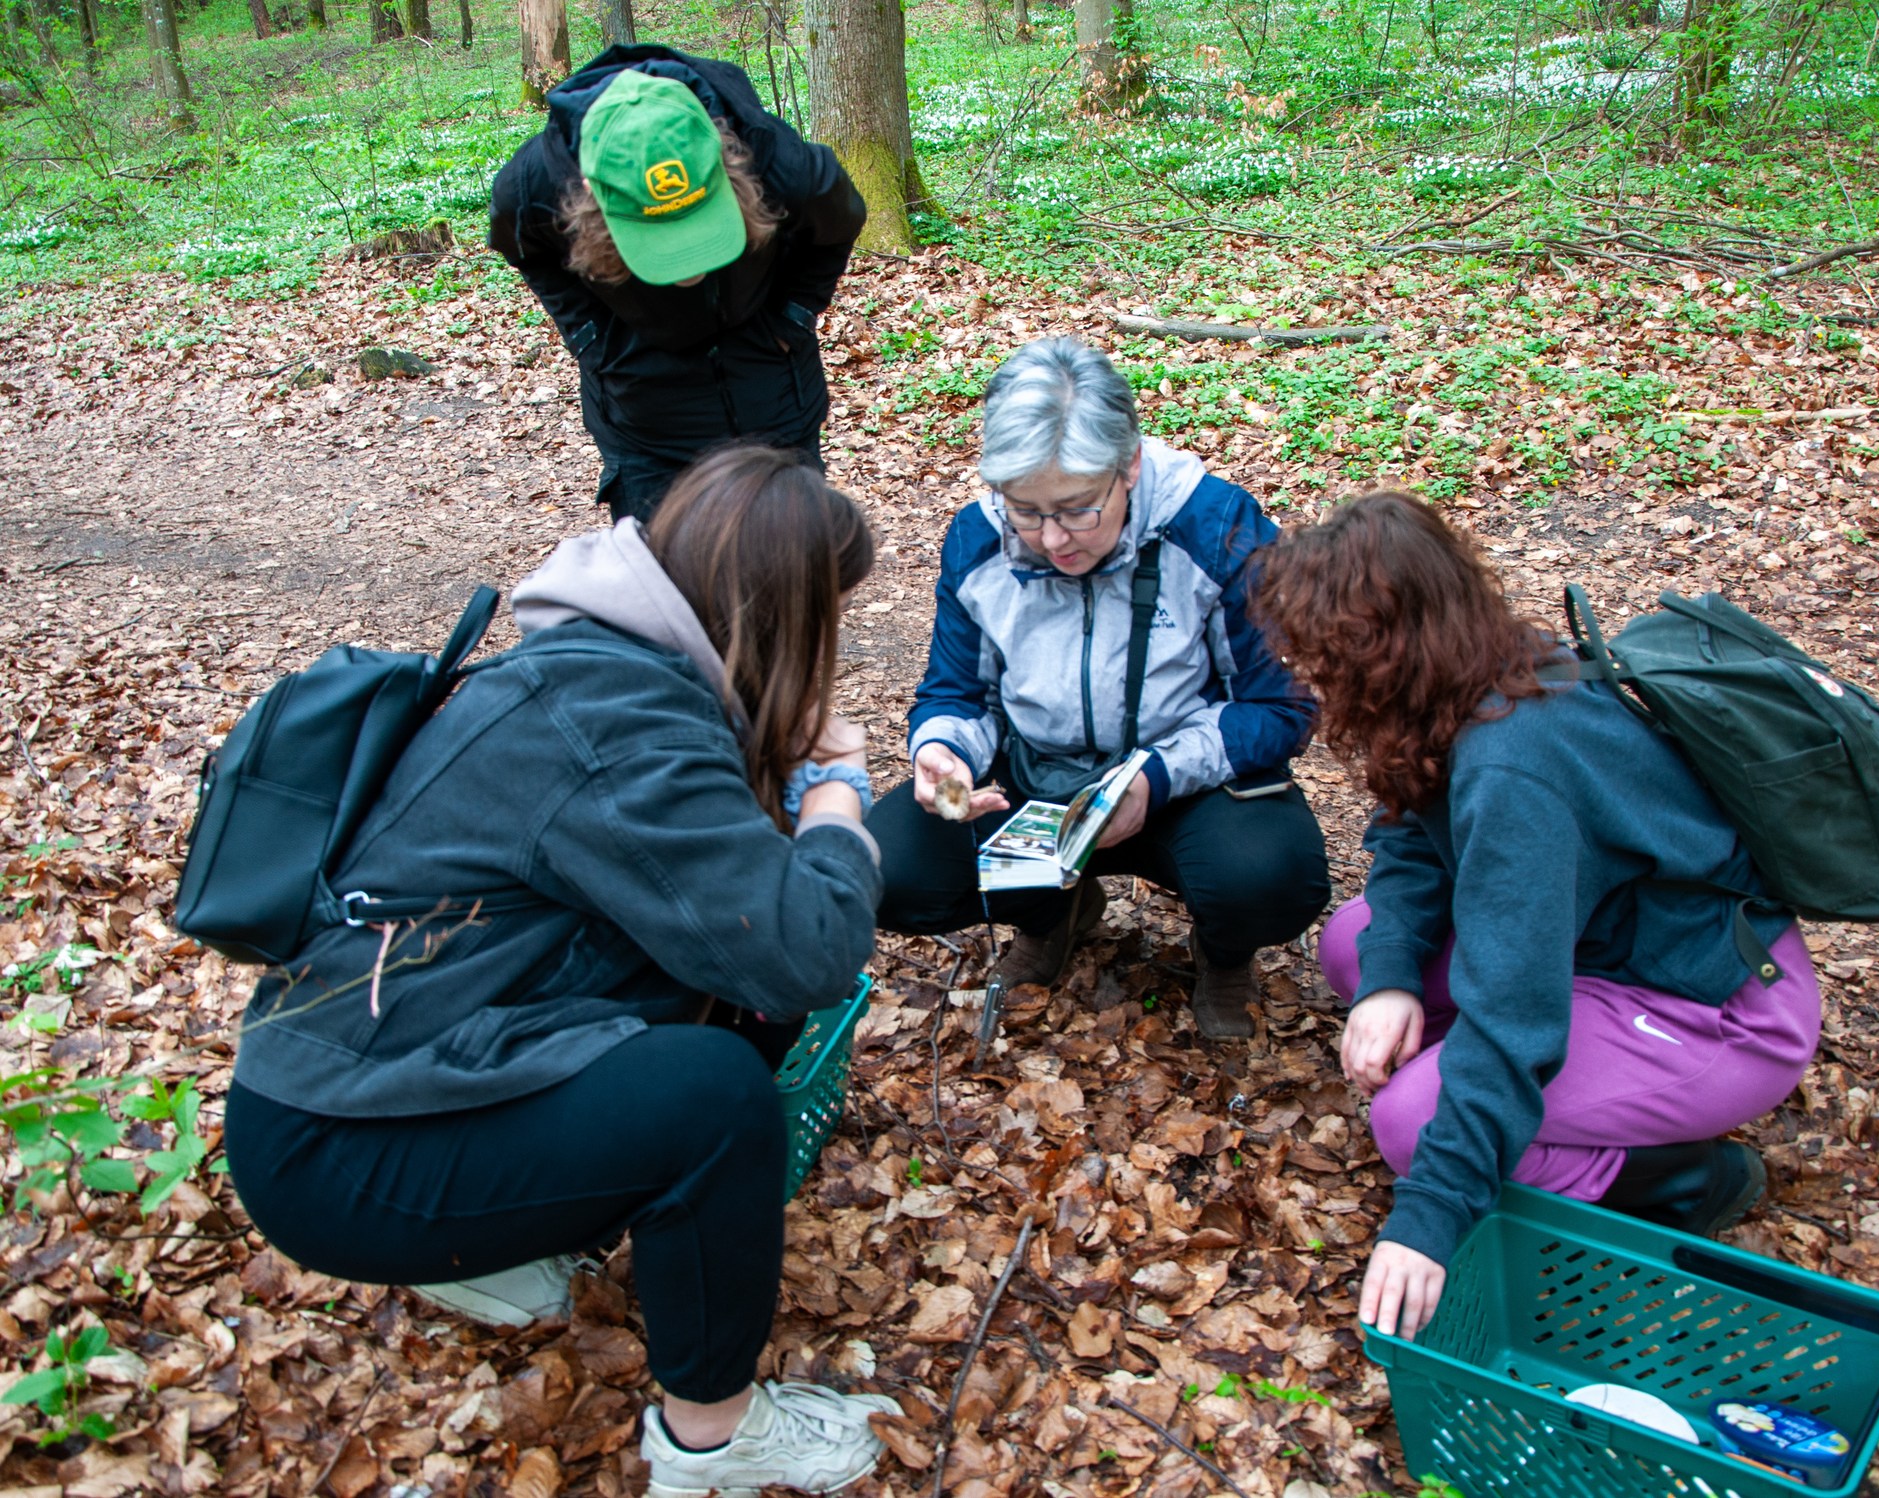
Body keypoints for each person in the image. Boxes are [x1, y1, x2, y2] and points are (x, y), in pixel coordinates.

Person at [223, 447, 901, 1494]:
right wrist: (837, 797)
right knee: (712, 1099)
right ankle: (712, 1443)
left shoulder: (603, 666)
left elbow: (738, 935)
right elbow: (808, 948)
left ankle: (492, 1251)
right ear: (785, 610)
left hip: (375, 1083)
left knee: (741, 1009)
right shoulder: (619, 724)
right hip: (338, 1149)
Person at [1251, 491, 1822, 1341]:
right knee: (1360, 947)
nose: (1308, 677)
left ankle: (1681, 1178)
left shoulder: (1516, 768)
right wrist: (1393, 979)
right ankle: (1512, 1095)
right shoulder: (1477, 671)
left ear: (1384, 650)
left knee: (1410, 1122)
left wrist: (1430, 1218)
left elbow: (1515, 1016)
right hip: (1598, 955)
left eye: (1324, 657)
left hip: (1718, 1015)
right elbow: (1413, 829)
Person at [867, 338, 1332, 1039]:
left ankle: (1225, 950)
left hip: (1183, 792)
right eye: (1026, 510)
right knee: (888, 866)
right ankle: (1053, 914)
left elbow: (1280, 705)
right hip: (1036, 782)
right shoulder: (978, 537)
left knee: (1269, 878)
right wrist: (944, 750)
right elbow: (956, 692)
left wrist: (1161, 774)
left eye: (1079, 507)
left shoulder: (1215, 526)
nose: (1053, 539)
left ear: (1130, 467)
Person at [489, 45, 867, 523]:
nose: (691, 270)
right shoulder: (534, 188)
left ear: (725, 159)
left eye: (698, 227)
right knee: (661, 587)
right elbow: (523, 249)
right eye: (662, 240)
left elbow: (839, 222)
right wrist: (595, 341)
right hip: (646, 421)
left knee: (788, 574)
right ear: (590, 193)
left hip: (773, 396)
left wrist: (790, 318)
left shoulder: (776, 160)